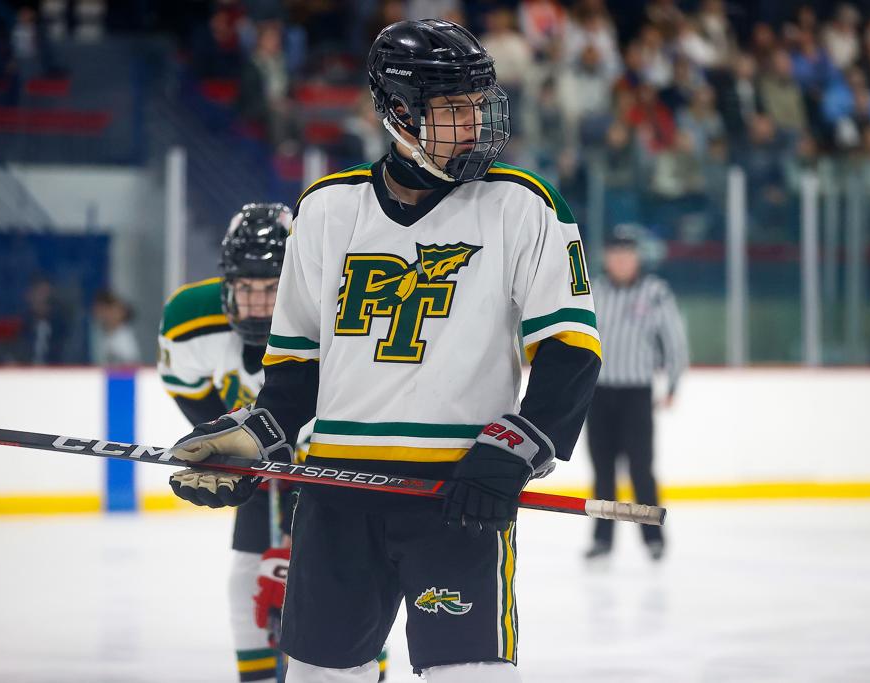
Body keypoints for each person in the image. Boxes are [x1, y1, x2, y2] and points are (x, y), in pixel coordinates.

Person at [166, 19, 601, 683]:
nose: (475, 125)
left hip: (456, 495)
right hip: (335, 495)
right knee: (317, 677)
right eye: (452, 109)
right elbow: (295, 368)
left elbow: (571, 349)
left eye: (479, 105)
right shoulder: (326, 209)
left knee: (472, 676)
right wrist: (252, 438)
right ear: (398, 113)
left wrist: (515, 448)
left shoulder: (523, 205)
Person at [158, 204, 303, 683]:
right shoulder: (188, 320)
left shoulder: (337, 312)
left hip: (330, 464)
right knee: (246, 573)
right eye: (246, 289)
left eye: (271, 289)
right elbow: (190, 393)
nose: (258, 305)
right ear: (227, 285)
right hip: (255, 459)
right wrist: (224, 448)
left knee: (343, 577)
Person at [585, 232, 688, 562]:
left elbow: (674, 340)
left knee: (641, 470)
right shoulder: (593, 290)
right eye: (615, 253)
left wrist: (673, 385)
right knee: (603, 472)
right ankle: (602, 539)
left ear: (637, 258)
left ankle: (653, 538)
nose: (621, 260)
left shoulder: (655, 292)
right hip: (598, 395)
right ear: (606, 257)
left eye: (627, 254)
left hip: (636, 396)